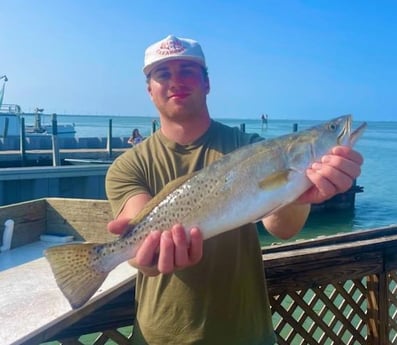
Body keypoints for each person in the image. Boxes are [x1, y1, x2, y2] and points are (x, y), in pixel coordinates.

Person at [105, 35, 363, 345]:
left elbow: (282, 228)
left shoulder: (252, 148)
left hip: (247, 334)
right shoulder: (128, 166)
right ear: (149, 90)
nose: (176, 81)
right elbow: (139, 243)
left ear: (207, 83)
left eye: (188, 70)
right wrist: (139, 256)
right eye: (163, 74)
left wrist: (300, 193)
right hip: (160, 336)